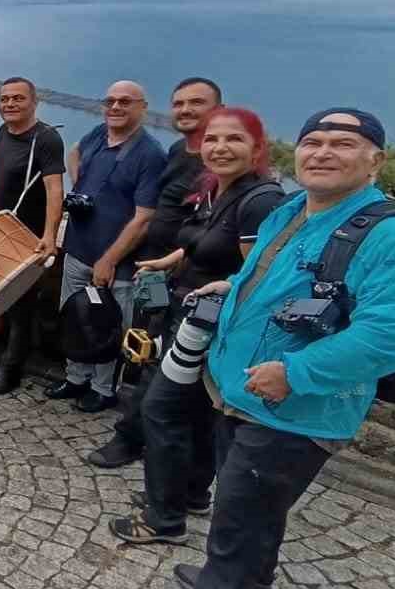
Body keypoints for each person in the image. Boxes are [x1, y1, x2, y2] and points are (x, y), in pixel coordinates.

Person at [154, 108, 395, 589]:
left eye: (343, 144)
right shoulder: (293, 212)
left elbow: (388, 337)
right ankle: (249, 583)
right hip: (244, 390)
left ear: (374, 161)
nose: (324, 152)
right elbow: (270, 278)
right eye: (314, 141)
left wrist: (295, 373)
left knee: (240, 504)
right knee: (257, 500)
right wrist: (229, 287)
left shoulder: (392, 238)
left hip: (298, 405)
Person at [109, 107, 285, 547]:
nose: (220, 148)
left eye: (234, 140)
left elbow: (260, 278)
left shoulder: (260, 200)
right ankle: (188, 494)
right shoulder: (219, 190)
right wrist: (170, 261)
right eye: (212, 139)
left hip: (210, 329)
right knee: (197, 413)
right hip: (193, 318)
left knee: (160, 409)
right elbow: (206, 245)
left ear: (257, 148)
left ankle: (163, 518)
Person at [87, 77, 223, 466]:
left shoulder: (219, 163)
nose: (185, 110)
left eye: (196, 103)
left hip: (189, 283)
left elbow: (218, 228)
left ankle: (132, 441)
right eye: (179, 103)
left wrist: (179, 258)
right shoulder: (180, 150)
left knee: (164, 367)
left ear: (218, 109)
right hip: (155, 274)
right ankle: (145, 440)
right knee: (145, 354)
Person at [47, 80, 166, 409]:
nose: (115, 107)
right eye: (110, 101)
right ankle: (75, 378)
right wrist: (81, 182)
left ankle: (103, 389)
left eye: (125, 102)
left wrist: (110, 260)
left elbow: (144, 218)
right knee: (74, 319)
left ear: (142, 107)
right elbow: (73, 152)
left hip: (118, 262)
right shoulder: (98, 134)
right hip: (78, 247)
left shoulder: (150, 154)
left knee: (108, 326)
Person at [0, 77, 65, 393]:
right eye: (5, 99)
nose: (10, 104)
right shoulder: (2, 132)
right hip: (0, 230)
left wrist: (49, 235)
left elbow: (55, 189)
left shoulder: (46, 139)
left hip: (27, 234)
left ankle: (11, 370)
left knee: (22, 304)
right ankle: (1, 357)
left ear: (34, 102)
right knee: (1, 300)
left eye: (18, 99)